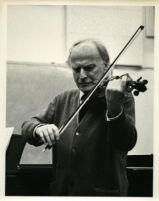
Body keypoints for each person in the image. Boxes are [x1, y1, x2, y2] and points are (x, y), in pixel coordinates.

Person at [21, 39, 137, 196]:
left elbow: (126, 142)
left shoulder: (122, 98)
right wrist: (39, 129)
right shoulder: (63, 99)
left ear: (107, 66)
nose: (82, 76)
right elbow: (28, 125)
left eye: (89, 68)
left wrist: (114, 107)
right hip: (62, 193)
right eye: (76, 69)